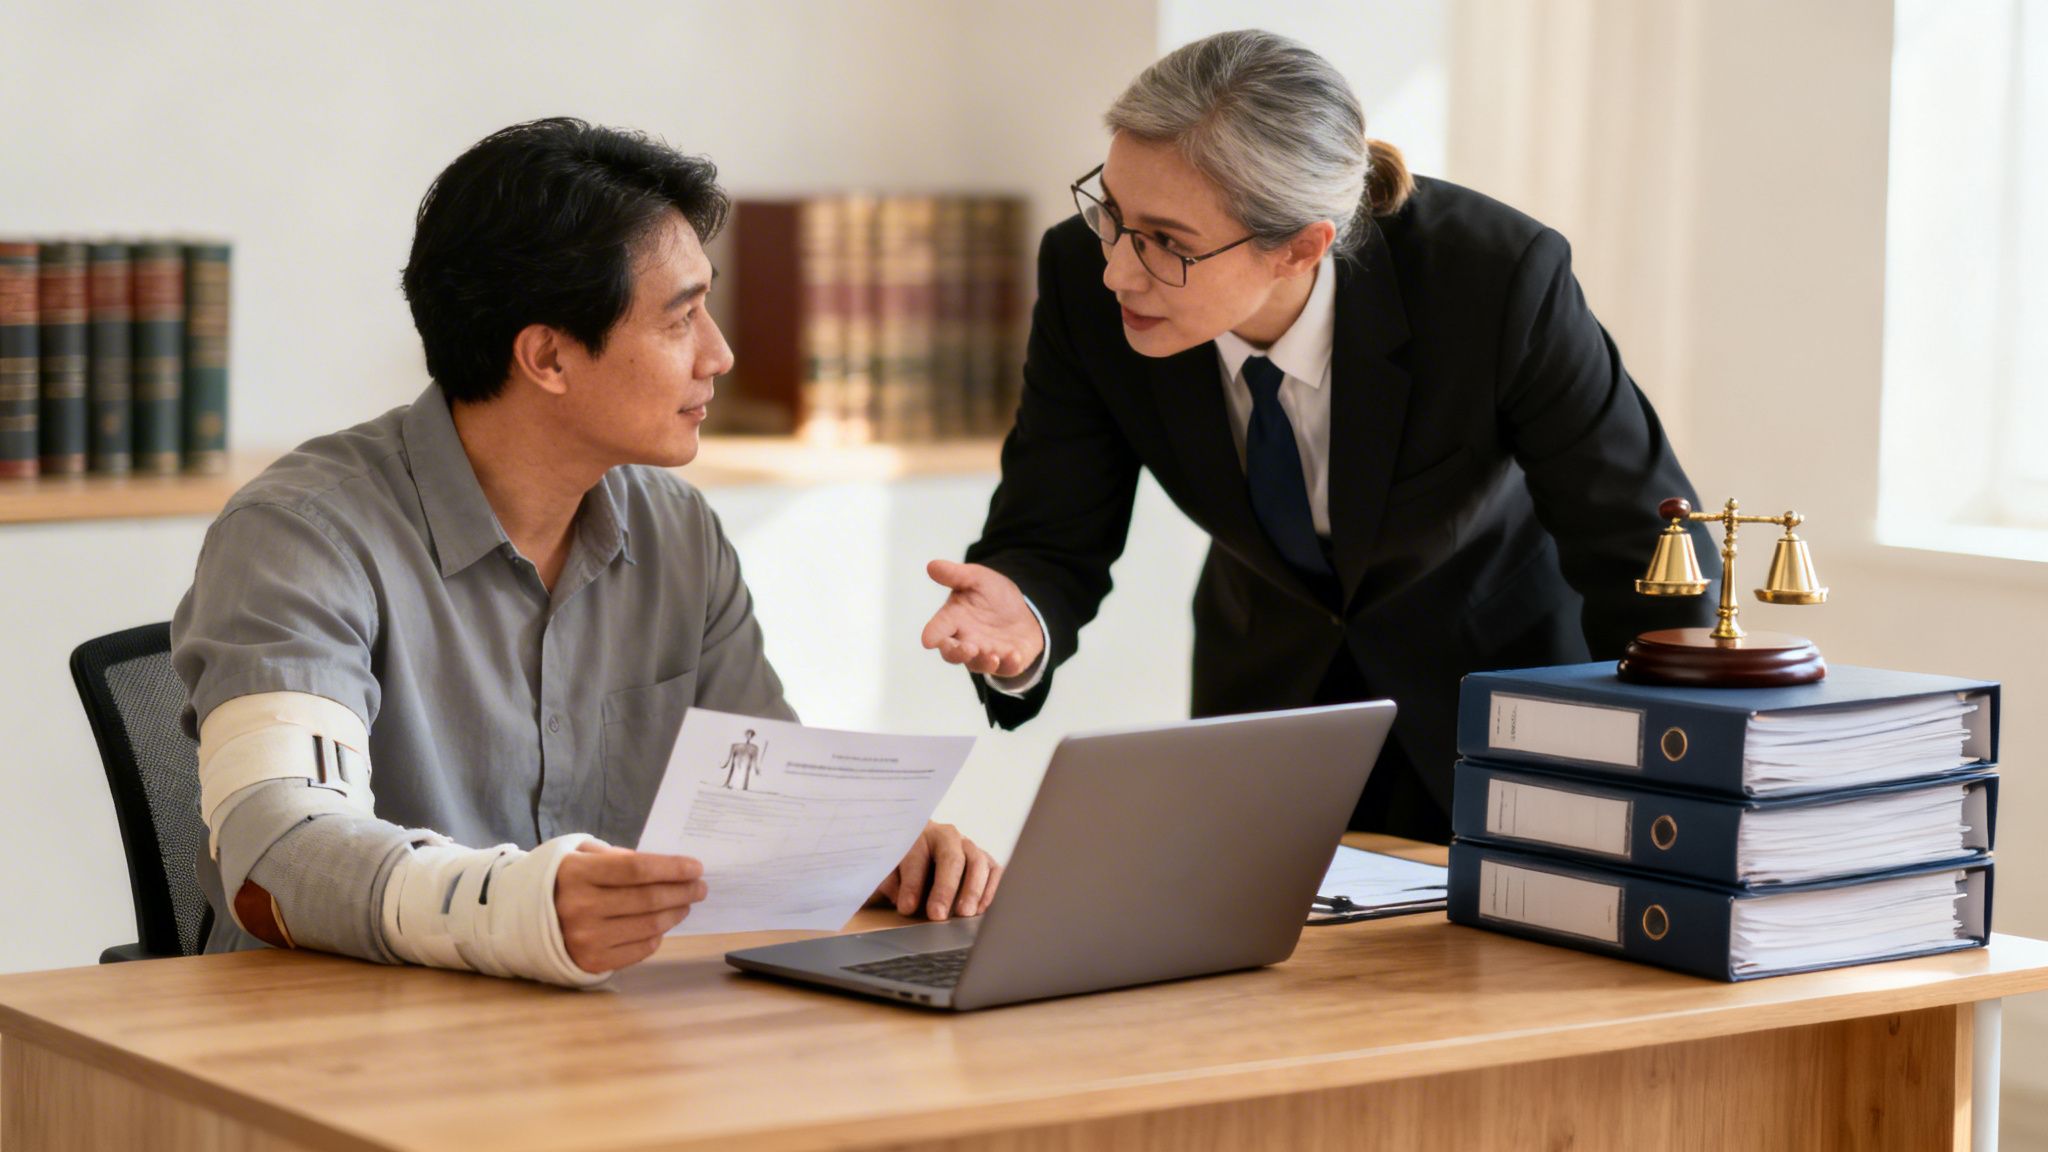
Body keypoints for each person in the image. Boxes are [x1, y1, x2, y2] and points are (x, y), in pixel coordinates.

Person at [173, 118, 999, 989]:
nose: (719, 355)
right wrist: (511, 907)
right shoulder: (299, 534)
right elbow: (276, 857)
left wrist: (873, 849)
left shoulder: (678, 535)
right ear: (549, 357)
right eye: (682, 319)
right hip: (338, 1049)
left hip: (608, 1035)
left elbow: (766, 812)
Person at [919, 30, 1715, 843]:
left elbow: (1644, 543)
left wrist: (1662, 776)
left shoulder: (1493, 277)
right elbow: (1052, 530)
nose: (1119, 269)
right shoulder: (1084, 284)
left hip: (1502, 701)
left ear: (1301, 246)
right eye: (1112, 216)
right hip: (1268, 708)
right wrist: (1024, 612)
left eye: (1168, 243)